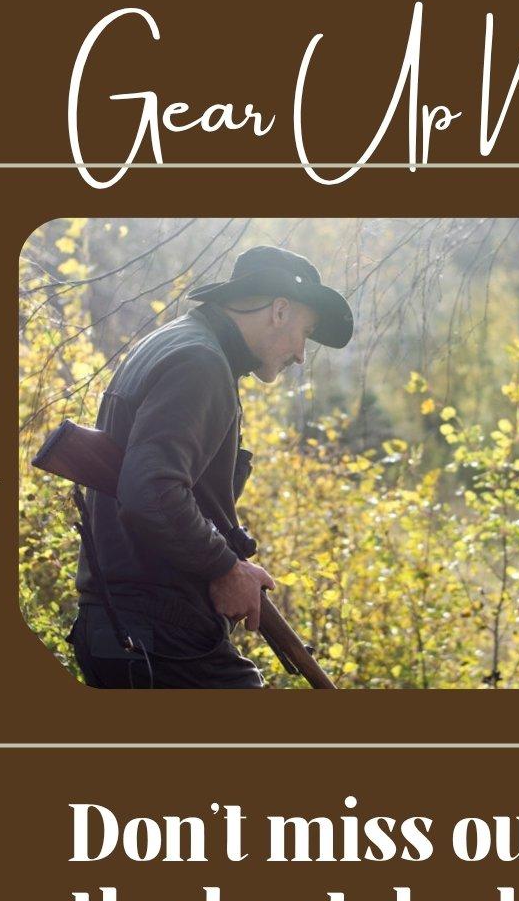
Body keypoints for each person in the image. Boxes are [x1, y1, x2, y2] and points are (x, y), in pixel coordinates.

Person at [69, 244, 354, 688]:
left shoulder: (178, 342)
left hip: (128, 629)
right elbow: (151, 491)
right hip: (158, 636)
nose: (301, 354)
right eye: (305, 332)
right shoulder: (200, 362)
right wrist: (225, 567)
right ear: (279, 310)